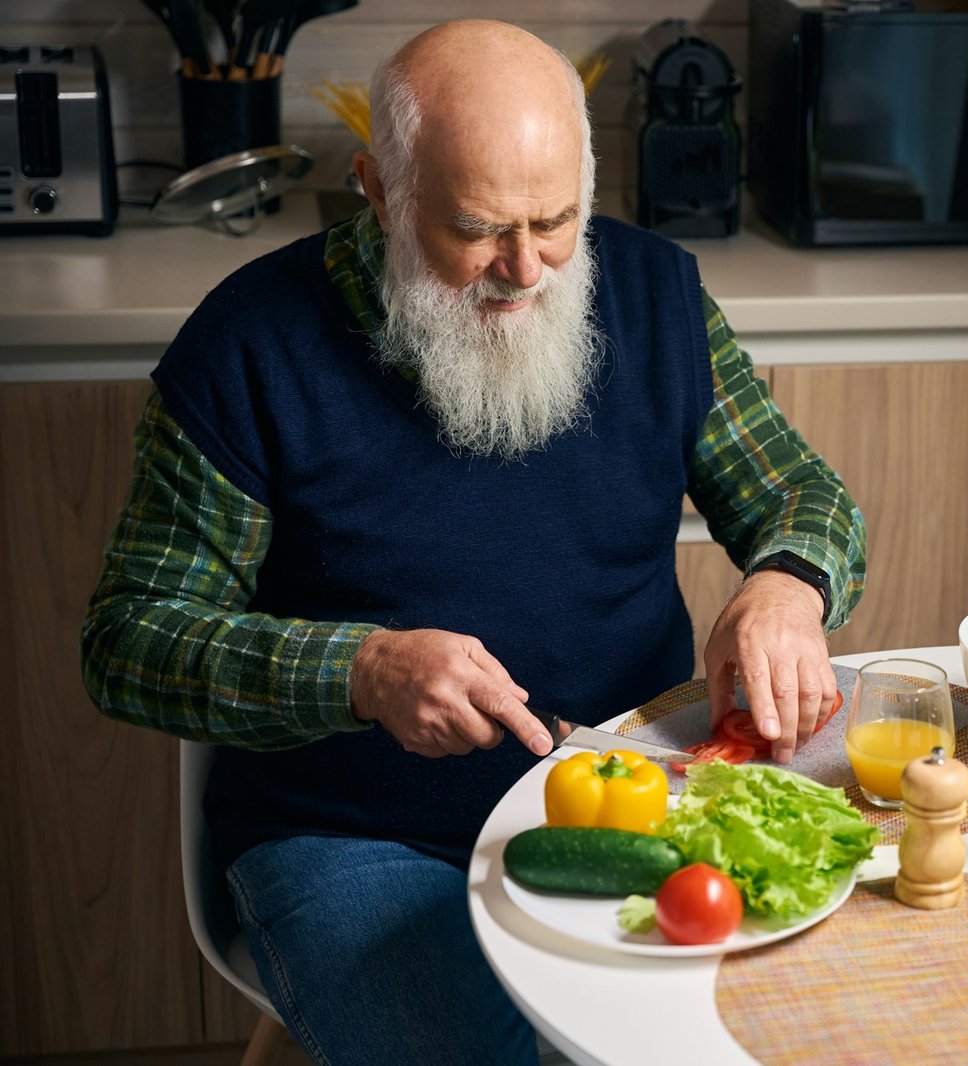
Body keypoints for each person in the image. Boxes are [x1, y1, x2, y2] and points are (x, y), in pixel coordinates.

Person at [80, 19, 864, 1066]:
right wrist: (360, 668)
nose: (527, 268)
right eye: (478, 228)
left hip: (632, 795)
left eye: (557, 220)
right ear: (378, 187)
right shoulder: (247, 345)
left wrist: (786, 585)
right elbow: (128, 641)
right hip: (361, 839)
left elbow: (801, 496)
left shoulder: (657, 293)